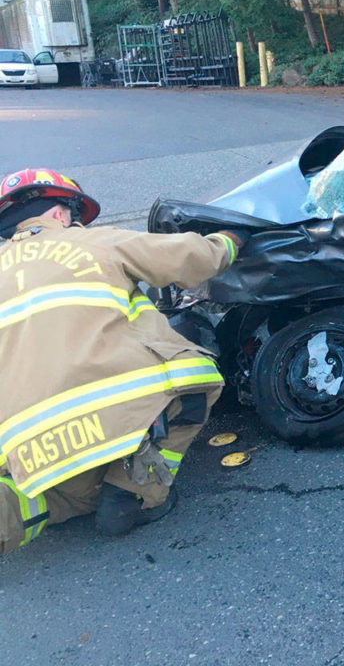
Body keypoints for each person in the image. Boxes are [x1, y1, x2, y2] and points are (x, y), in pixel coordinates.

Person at [0, 168, 247, 555]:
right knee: (195, 376)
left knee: (58, 495)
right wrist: (230, 240)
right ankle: (134, 493)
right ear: (62, 213)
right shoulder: (95, 242)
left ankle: (42, 502)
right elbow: (189, 258)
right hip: (109, 414)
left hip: (28, 444)